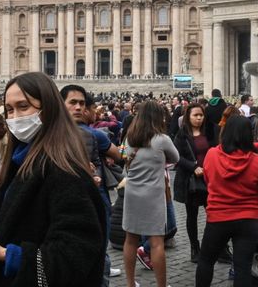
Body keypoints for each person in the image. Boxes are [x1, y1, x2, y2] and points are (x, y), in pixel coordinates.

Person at [0, 72, 106, 287]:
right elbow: (18, 223)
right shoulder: (17, 161)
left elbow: (75, 252)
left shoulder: (65, 171)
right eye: (10, 109)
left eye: (24, 107)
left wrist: (8, 255)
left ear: (47, 110)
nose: (14, 117)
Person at [196, 115, 258, 287]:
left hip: (218, 217)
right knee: (243, 267)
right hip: (248, 219)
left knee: (206, 260)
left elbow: (208, 181)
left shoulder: (211, 155)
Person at [60, 84, 123, 283]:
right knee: (98, 241)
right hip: (94, 194)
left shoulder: (51, 133)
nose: (79, 108)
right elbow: (119, 155)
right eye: (73, 103)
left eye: (81, 104)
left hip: (72, 198)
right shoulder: (96, 134)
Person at [122, 101, 179, 287]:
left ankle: (131, 283)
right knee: (156, 242)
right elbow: (176, 158)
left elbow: (124, 159)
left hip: (132, 193)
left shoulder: (129, 138)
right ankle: (161, 285)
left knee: (130, 240)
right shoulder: (162, 139)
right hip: (153, 194)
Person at [173, 103, 215, 263]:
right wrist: (193, 167)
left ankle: (214, 246)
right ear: (188, 117)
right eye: (195, 115)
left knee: (213, 213)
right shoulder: (182, 134)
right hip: (191, 181)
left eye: (201, 115)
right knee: (192, 215)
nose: (199, 118)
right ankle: (194, 247)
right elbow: (176, 156)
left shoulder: (209, 132)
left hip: (209, 178)